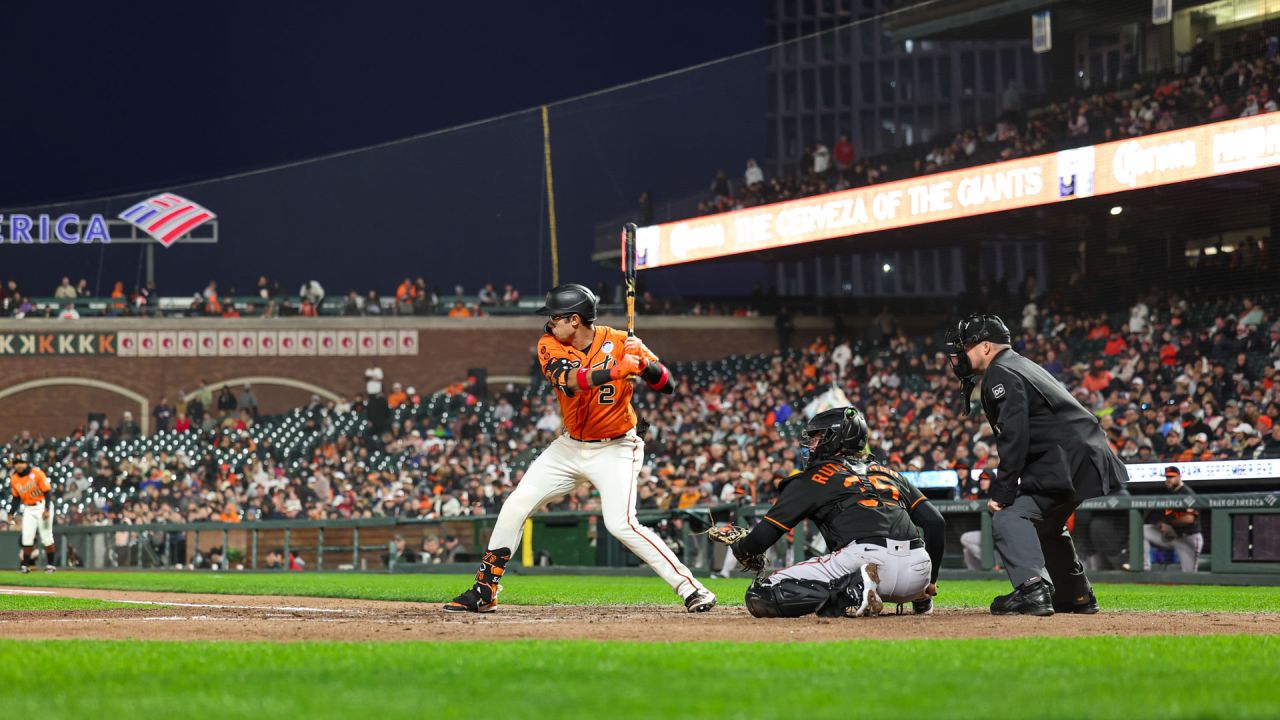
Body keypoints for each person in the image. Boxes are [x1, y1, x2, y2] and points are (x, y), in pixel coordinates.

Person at [444, 283, 715, 613]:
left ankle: (692, 589)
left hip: (617, 447)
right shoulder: (549, 344)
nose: (549, 324)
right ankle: (485, 589)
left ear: (574, 320)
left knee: (621, 524)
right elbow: (569, 380)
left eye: (555, 318)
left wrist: (644, 364)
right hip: (569, 447)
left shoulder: (618, 341)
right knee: (516, 504)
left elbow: (667, 385)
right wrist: (618, 369)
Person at [945, 314, 1126, 615]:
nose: (960, 355)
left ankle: (1032, 590)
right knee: (1047, 525)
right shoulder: (1018, 364)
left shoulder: (1000, 372)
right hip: (1084, 454)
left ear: (987, 347)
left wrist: (1002, 492)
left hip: (1067, 457)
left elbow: (1015, 437)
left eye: (966, 347)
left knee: (1009, 516)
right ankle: (1075, 595)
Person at [717, 407, 944, 618]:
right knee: (898, 567)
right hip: (918, 571)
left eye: (817, 437)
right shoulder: (891, 473)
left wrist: (742, 548)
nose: (811, 444)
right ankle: (920, 600)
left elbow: (763, 538)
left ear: (835, 438)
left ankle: (850, 591)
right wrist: (930, 581)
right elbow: (935, 523)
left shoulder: (813, 477)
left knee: (760, 593)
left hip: (862, 558)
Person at [1141, 466, 1203, 572]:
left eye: (1172, 477)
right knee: (1141, 530)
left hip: (1188, 539)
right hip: (1171, 536)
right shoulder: (1169, 492)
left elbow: (1189, 519)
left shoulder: (1187, 494)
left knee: (1189, 577)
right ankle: (1144, 567)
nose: (1168, 480)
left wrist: (1169, 524)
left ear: (1179, 477)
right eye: (1167, 477)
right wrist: (1161, 524)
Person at [9, 454, 57, 573]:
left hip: (42, 505)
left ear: (26, 463)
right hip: (28, 508)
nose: (18, 464)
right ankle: (25, 566)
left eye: (20, 462)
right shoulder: (14, 478)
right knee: (27, 538)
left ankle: (50, 565)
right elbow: (16, 498)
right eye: (16, 462)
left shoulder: (37, 473)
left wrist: (46, 509)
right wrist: (11, 512)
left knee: (46, 537)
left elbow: (47, 492)